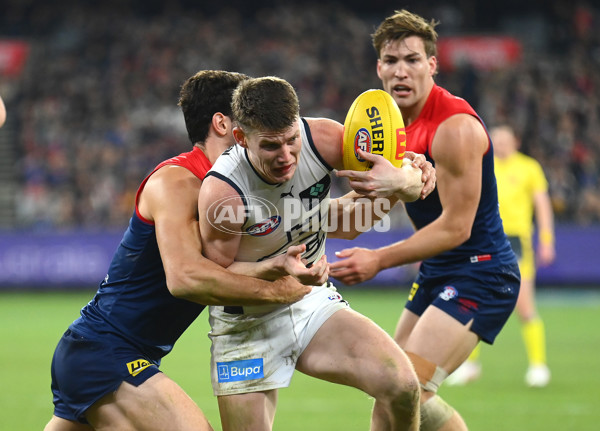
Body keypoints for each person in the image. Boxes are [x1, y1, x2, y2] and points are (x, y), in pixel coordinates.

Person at [44, 70, 313, 431]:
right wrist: (274, 291)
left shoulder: (226, 191)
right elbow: (185, 277)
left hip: (107, 354)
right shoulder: (179, 181)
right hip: (104, 352)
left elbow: (223, 265)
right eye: (245, 113)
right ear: (223, 123)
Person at [198, 76, 437, 431]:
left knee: (402, 385)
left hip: (310, 303)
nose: (286, 156)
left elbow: (389, 189)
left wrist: (405, 179)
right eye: (270, 146)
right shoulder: (223, 190)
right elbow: (215, 278)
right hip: (244, 324)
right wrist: (276, 268)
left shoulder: (322, 139)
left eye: (292, 140)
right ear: (240, 138)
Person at [329, 10, 521, 431]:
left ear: (432, 65)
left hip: (482, 271)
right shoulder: (391, 130)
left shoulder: (454, 127)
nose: (401, 71)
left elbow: (457, 227)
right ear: (378, 67)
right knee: (392, 387)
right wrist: (299, 221)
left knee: (404, 388)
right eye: (391, 61)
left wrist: (379, 260)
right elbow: (359, 216)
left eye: (412, 60)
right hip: (440, 269)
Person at [446, 125, 555, 388]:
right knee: (472, 300)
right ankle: (470, 365)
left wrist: (547, 240)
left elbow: (542, 204)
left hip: (516, 241)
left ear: (515, 142)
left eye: (505, 140)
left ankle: (539, 366)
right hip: (484, 239)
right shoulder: (482, 166)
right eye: (496, 141)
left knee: (524, 305)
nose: (501, 145)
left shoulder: (529, 168)